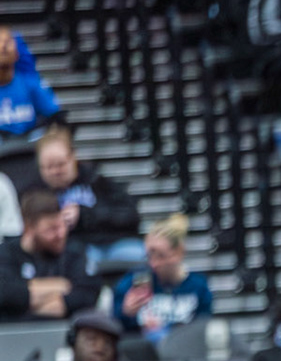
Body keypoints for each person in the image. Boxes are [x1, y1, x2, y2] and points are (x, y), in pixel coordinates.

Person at [22, 128, 141, 253]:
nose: (56, 171)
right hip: (67, 252)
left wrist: (83, 214)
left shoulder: (96, 180)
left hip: (110, 243)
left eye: (61, 164)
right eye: (49, 167)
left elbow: (130, 215)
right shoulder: (34, 194)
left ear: (73, 157)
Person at [0, 191, 101, 321]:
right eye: (51, 229)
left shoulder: (74, 252)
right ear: (29, 228)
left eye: (62, 225)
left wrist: (26, 302)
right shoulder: (6, 253)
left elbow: (86, 295)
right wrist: (61, 285)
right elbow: (5, 294)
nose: (60, 234)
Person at [109, 214, 211, 340]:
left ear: (178, 253)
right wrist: (125, 313)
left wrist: (166, 328)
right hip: (143, 349)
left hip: (183, 348)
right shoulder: (133, 281)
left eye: (161, 256)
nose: (154, 264)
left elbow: (202, 330)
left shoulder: (198, 287)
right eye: (149, 256)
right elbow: (115, 325)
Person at [0, 29, 60, 136]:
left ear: (17, 53)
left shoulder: (30, 83)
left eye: (7, 42)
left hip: (29, 143)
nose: (3, 46)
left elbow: (54, 116)